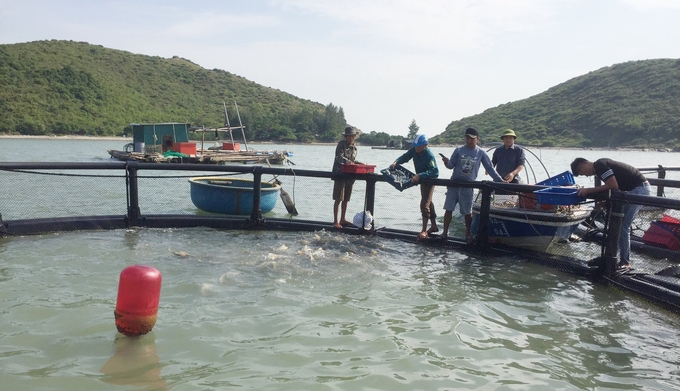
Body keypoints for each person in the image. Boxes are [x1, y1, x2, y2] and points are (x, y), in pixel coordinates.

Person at [571, 157, 651, 269]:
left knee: (623, 227)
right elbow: (616, 186)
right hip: (631, 190)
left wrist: (588, 191)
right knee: (617, 226)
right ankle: (611, 257)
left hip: (639, 190)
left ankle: (625, 262)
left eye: (582, 173)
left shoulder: (599, 165)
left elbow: (613, 185)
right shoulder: (600, 167)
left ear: (581, 166)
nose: (586, 176)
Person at [440, 127, 503, 243]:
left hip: (468, 186)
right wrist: (446, 162)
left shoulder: (481, 153)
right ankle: (444, 233)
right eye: (467, 138)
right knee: (448, 209)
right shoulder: (458, 150)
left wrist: (501, 182)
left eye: (472, 138)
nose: (469, 140)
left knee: (467, 212)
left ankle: (468, 234)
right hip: (454, 184)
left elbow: (490, 168)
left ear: (477, 139)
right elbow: (451, 165)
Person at [389, 134, 439, 239]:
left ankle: (424, 230)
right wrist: (396, 162)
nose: (416, 148)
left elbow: (434, 171)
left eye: (419, 146)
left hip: (429, 180)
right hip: (420, 179)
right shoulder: (414, 151)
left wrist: (420, 175)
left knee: (424, 204)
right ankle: (434, 225)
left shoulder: (429, 155)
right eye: (415, 146)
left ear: (425, 145)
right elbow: (405, 157)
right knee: (428, 202)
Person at [332, 126, 362, 229]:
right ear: (346, 137)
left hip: (350, 176)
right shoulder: (341, 144)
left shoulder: (354, 147)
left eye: (353, 136)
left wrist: (359, 164)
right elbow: (339, 157)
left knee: (346, 199)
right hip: (340, 174)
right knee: (338, 198)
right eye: (350, 136)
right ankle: (336, 221)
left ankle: (343, 219)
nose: (352, 138)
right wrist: (349, 162)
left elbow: (352, 160)